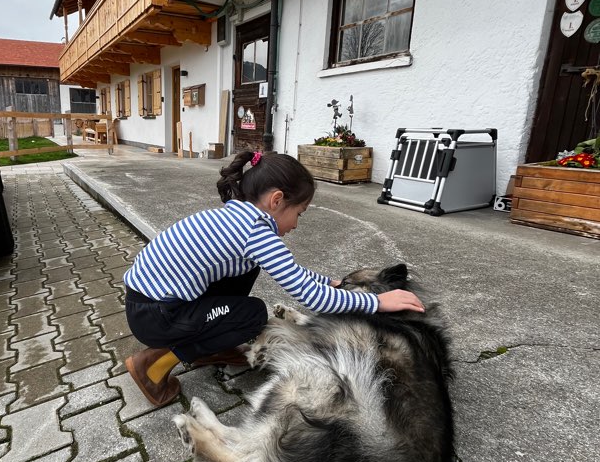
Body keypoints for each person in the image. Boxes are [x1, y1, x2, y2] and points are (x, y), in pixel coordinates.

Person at [123, 149, 425, 406]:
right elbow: (310, 297)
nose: (296, 224)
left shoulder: (239, 215)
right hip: (157, 316)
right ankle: (152, 365)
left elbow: (294, 273)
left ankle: (213, 346)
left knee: (248, 267)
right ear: (277, 200)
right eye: (300, 213)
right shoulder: (255, 231)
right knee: (253, 315)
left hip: (149, 305)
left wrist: (328, 281)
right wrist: (376, 301)